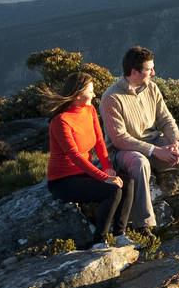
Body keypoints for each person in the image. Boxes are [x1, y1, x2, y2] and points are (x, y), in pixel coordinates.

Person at [100, 46, 179, 235]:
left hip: (155, 143)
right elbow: (119, 138)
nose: (154, 73)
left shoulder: (151, 88)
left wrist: (175, 142)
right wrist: (156, 151)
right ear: (134, 72)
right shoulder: (111, 98)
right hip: (123, 152)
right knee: (140, 163)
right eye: (149, 69)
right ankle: (144, 226)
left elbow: (165, 119)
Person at [44, 72, 133, 249]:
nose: (94, 95)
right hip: (63, 181)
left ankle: (120, 234)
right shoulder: (61, 121)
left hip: (84, 172)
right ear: (77, 95)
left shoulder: (90, 110)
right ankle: (98, 241)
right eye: (90, 91)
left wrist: (107, 167)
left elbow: (99, 141)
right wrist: (103, 178)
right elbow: (74, 155)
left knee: (128, 181)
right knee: (112, 190)